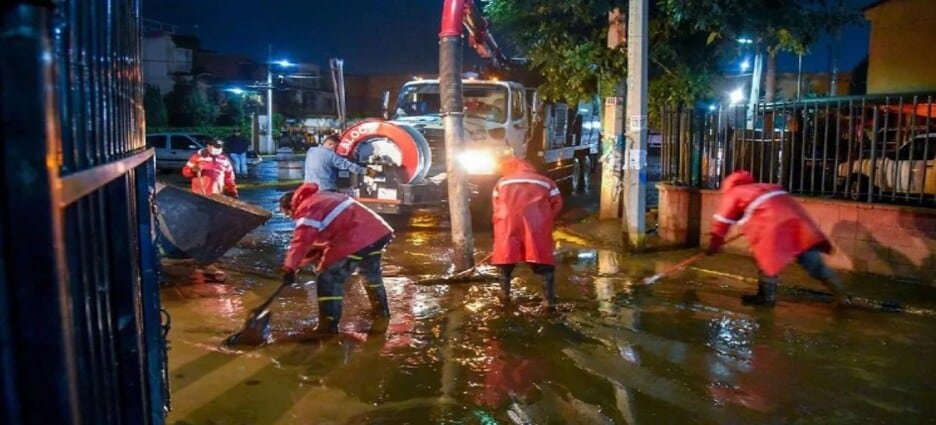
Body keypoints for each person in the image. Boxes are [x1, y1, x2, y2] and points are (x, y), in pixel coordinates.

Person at [706, 170, 849, 306]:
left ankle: (766, 298)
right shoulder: (768, 187)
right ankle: (843, 297)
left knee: (766, 261)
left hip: (775, 229)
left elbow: (722, 221)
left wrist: (714, 245)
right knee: (814, 263)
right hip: (799, 224)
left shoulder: (734, 193)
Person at [279, 182, 393, 336]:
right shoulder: (322, 197)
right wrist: (311, 255)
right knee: (370, 275)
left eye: (288, 214)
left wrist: (290, 268)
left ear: (290, 206)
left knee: (328, 278)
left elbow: (301, 241)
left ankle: (328, 327)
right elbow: (331, 230)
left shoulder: (307, 207)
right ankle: (381, 312)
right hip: (378, 233)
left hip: (357, 239)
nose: (291, 218)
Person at [491, 154, 563, 307]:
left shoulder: (502, 183)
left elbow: (496, 206)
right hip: (536, 223)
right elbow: (557, 204)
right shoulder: (546, 182)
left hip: (508, 223)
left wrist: (501, 222)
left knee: (506, 259)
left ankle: (504, 296)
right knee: (542, 260)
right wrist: (546, 219)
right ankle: (548, 301)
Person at [303, 134, 376, 191]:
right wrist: (366, 171)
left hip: (309, 188)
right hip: (325, 188)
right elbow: (348, 166)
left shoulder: (311, 151)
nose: (336, 149)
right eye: (336, 146)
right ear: (330, 144)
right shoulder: (331, 155)